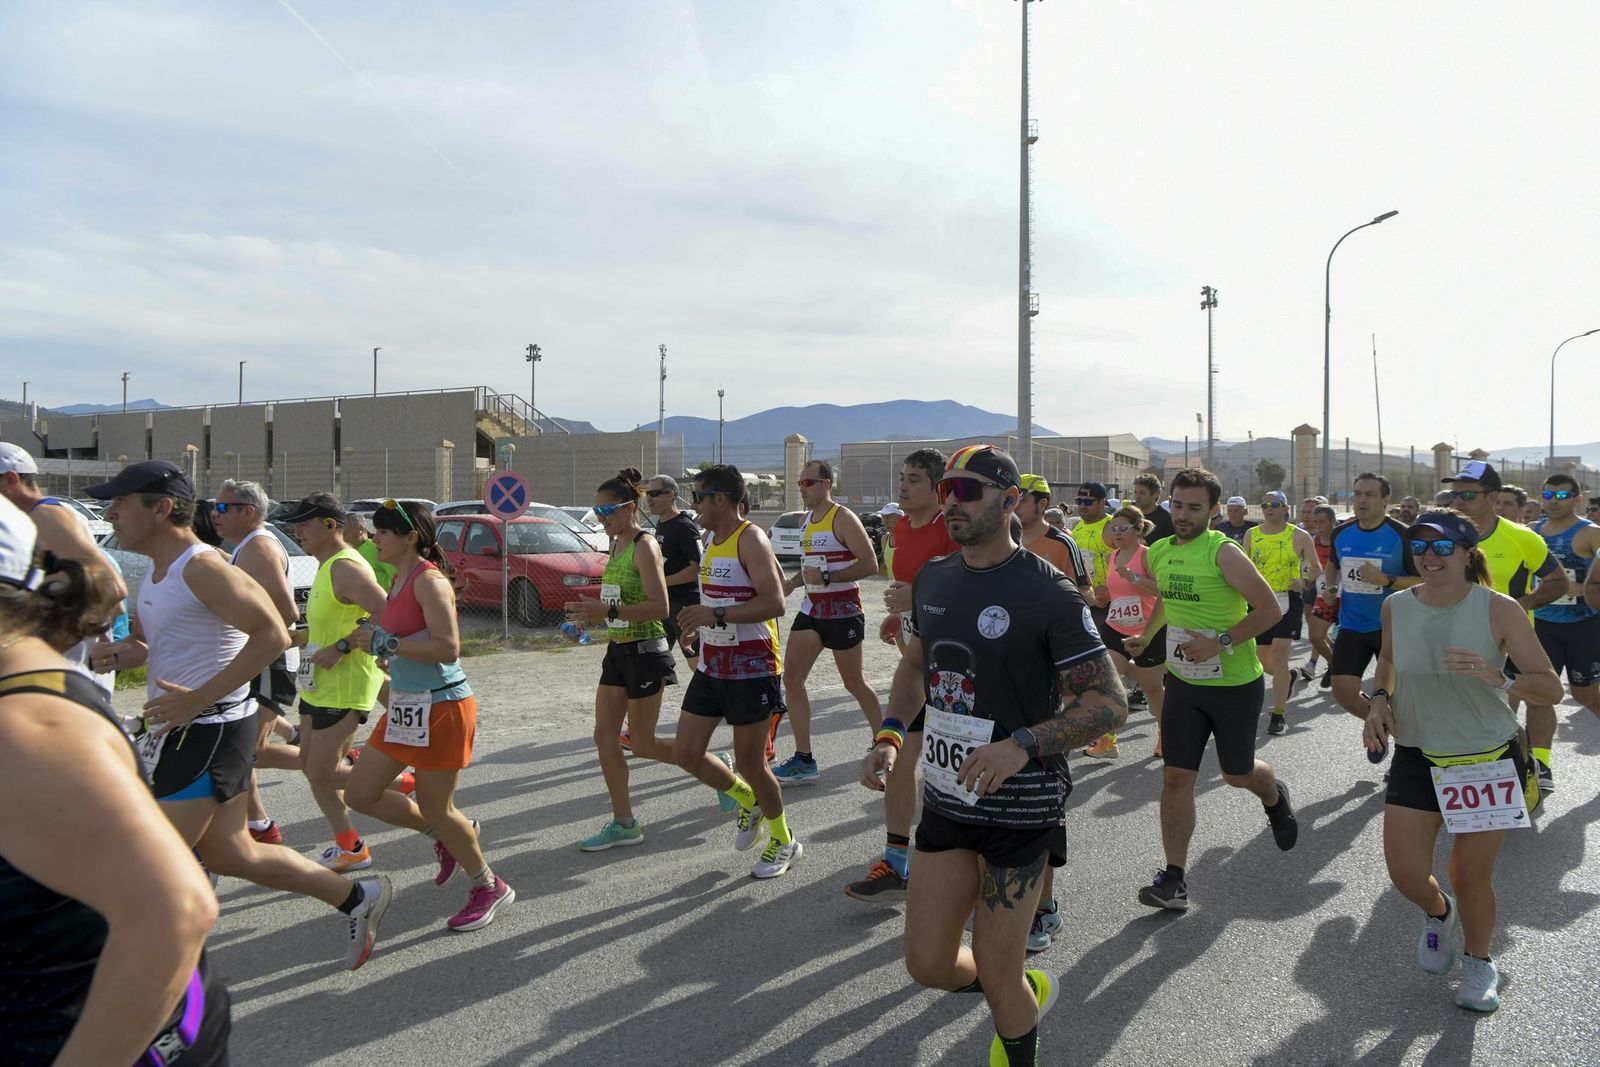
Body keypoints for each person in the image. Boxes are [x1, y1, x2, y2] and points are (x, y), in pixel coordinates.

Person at [860, 443, 1126, 1067]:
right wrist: (892, 734)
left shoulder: (1049, 593)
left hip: (1022, 806)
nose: (952, 500)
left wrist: (1022, 744)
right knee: (927, 964)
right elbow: (915, 669)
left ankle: (1015, 1015)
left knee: (999, 976)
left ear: (1010, 502)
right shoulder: (934, 578)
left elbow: (1109, 706)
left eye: (969, 490)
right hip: (950, 796)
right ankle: (1021, 995)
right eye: (948, 489)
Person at [85, 462, 391, 970]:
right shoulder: (158, 573)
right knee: (231, 855)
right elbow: (154, 645)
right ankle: (358, 897)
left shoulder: (202, 567)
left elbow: (274, 632)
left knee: (150, 865)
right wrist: (122, 653)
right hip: (186, 728)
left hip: (208, 729)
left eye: (121, 502)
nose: (110, 512)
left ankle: (161, 1000)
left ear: (161, 509)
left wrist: (196, 698)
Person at [0, 494, 232, 1065]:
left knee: (233, 849)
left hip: (111, 1039)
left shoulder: (26, 727)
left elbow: (173, 912)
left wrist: (203, 698)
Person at [1363, 509, 1563, 1013]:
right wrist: (1380, 700)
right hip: (1417, 754)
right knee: (1406, 874)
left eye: (1442, 547)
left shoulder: (1499, 610)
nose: (1429, 557)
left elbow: (1551, 688)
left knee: (1469, 875)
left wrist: (1501, 678)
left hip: (1485, 760)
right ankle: (1438, 914)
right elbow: (1386, 661)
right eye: (1420, 548)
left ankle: (1479, 962)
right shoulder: (1396, 606)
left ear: (1467, 552)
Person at [339, 499, 515, 931]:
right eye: (374, 530)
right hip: (407, 705)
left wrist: (387, 646)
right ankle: (450, 838)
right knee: (360, 793)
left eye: (382, 531)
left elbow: (448, 648)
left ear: (410, 537)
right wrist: (388, 651)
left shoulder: (428, 581)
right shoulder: (398, 578)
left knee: (438, 806)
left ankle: (488, 884)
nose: (374, 537)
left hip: (443, 707)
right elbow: (408, 639)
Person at [1134, 468, 1298, 912]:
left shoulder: (1223, 552)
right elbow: (1168, 599)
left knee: (1236, 774)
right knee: (1175, 777)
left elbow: (1269, 611)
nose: (1183, 515)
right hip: (1184, 683)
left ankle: (1273, 795)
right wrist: (1147, 638)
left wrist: (1220, 642)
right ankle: (1174, 879)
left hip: (1233, 685)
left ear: (1213, 511)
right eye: (1178, 505)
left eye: (1194, 507)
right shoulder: (1161, 551)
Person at [672, 465, 801, 878]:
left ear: (720, 500)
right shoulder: (710, 538)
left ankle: (784, 839)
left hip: (752, 667)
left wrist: (717, 614)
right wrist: (699, 628)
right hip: (713, 664)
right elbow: (714, 598)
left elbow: (775, 602)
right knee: (687, 753)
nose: (693, 505)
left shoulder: (752, 538)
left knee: (750, 761)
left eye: (698, 497)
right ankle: (749, 801)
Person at [847, 448, 959, 904]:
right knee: (899, 761)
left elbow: (968, 590)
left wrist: (920, 602)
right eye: (902, 477)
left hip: (959, 666)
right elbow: (911, 592)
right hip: (917, 656)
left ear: (937, 488)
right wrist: (904, 618)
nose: (903, 485)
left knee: (957, 772)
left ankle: (1003, 887)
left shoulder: (950, 530)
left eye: (914, 478)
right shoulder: (902, 531)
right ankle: (896, 861)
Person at [279, 492, 393, 872]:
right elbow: (336, 621)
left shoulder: (346, 566)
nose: (297, 531)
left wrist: (343, 646)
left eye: (304, 524)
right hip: (318, 681)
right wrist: (302, 637)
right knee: (311, 766)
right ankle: (350, 845)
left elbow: (388, 613)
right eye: (295, 524)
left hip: (347, 683)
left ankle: (413, 798)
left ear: (330, 525)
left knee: (321, 771)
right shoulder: (325, 566)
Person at [568, 470, 676, 851]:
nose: (601, 518)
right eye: (596, 511)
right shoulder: (614, 545)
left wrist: (607, 612)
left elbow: (660, 607)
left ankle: (713, 768)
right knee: (604, 736)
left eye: (608, 510)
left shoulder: (645, 546)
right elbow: (617, 600)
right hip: (618, 651)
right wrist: (590, 613)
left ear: (630, 507)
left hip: (647, 651)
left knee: (643, 743)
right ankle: (624, 822)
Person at [1443, 461, 1568, 793]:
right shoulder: (1441, 536)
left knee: (1536, 699)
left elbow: (1558, 582)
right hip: (1459, 639)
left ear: (1493, 497)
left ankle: (1539, 762)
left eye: (1467, 495)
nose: (1457, 502)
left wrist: (1519, 607)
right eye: (1453, 495)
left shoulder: (1521, 537)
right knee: (1491, 712)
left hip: (1514, 639)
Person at [773, 460, 883, 785]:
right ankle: (804, 758)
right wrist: (793, 583)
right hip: (812, 610)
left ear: (825, 484)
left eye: (807, 483)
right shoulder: (806, 521)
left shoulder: (843, 518)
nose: (802, 489)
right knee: (792, 679)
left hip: (844, 610)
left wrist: (829, 575)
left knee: (853, 682)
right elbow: (809, 567)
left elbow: (871, 564)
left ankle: (885, 743)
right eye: (799, 484)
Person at [214, 480, 303, 847]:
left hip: (271, 660)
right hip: (257, 659)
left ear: (247, 512)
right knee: (240, 748)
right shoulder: (244, 548)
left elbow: (287, 613)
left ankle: (337, 764)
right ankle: (260, 825)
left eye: (222, 509)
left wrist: (248, 645)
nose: (214, 515)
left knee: (253, 751)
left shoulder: (260, 548)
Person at [0, 443, 126, 695]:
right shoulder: (35, 518)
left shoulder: (45, 516)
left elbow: (112, 589)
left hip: (66, 675)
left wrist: (49, 650)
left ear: (11, 479)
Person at [1323, 473, 1417, 757]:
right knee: (1343, 691)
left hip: (1394, 626)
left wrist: (1387, 579)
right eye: (1357, 494)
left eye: (1369, 495)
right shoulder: (1341, 533)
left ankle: (1407, 750)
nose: (1361, 500)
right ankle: (1383, 726)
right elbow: (1332, 564)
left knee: (1399, 697)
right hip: (1352, 625)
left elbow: (1422, 580)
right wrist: (1330, 586)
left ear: (1386, 501)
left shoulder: (1402, 535)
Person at [1243, 490, 1322, 735]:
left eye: (1275, 504)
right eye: (1265, 504)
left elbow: (1316, 568)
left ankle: (1278, 714)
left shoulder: (1299, 535)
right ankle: (1287, 677)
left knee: (1278, 655)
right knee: (1262, 659)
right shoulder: (1252, 534)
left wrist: (1303, 581)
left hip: (1287, 600)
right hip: (1259, 601)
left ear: (1286, 508)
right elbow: (1244, 566)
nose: (1269, 509)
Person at [1531, 475, 1600, 730]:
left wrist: (1587, 588)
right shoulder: (1531, 532)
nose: (1553, 502)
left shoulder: (1592, 534)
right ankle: (1540, 764)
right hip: (1541, 624)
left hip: (1583, 624)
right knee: (1539, 695)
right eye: (1548, 495)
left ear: (1577, 499)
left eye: (1562, 496)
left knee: (1585, 695)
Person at [1102, 504, 1167, 758]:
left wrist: (1136, 578)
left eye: (1122, 528)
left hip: (1147, 630)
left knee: (1151, 688)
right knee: (1106, 681)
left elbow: (1160, 592)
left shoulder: (1146, 555)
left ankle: (1166, 734)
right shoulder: (1112, 557)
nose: (1116, 533)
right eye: (1113, 528)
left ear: (1138, 529)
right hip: (1115, 626)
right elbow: (1117, 593)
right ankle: (1106, 741)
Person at [1298, 504, 1339, 690]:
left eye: (1321, 522)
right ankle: (1334, 665)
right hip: (1324, 597)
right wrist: (1305, 581)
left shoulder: (1342, 541)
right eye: (1315, 522)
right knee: (1315, 636)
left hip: (1348, 598)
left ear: (1332, 521)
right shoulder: (1312, 542)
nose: (1317, 526)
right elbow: (1307, 567)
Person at [344, 511, 396, 592]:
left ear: (360, 531)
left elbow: (396, 578)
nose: (341, 537)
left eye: (344, 533)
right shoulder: (348, 552)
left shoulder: (377, 548)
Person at [1131, 472, 1175, 544]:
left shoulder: (1167, 520)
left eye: (1142, 493)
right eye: (1135, 492)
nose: (1137, 496)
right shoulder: (1130, 517)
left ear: (1155, 494)